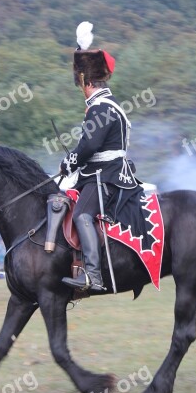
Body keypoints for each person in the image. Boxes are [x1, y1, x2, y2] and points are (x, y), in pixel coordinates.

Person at [59, 22, 140, 292]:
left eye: (81, 84)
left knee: (82, 215)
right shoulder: (108, 105)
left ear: (88, 82)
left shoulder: (101, 107)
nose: (80, 89)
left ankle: (93, 275)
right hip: (102, 171)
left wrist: (70, 161)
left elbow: (90, 145)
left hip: (105, 175)